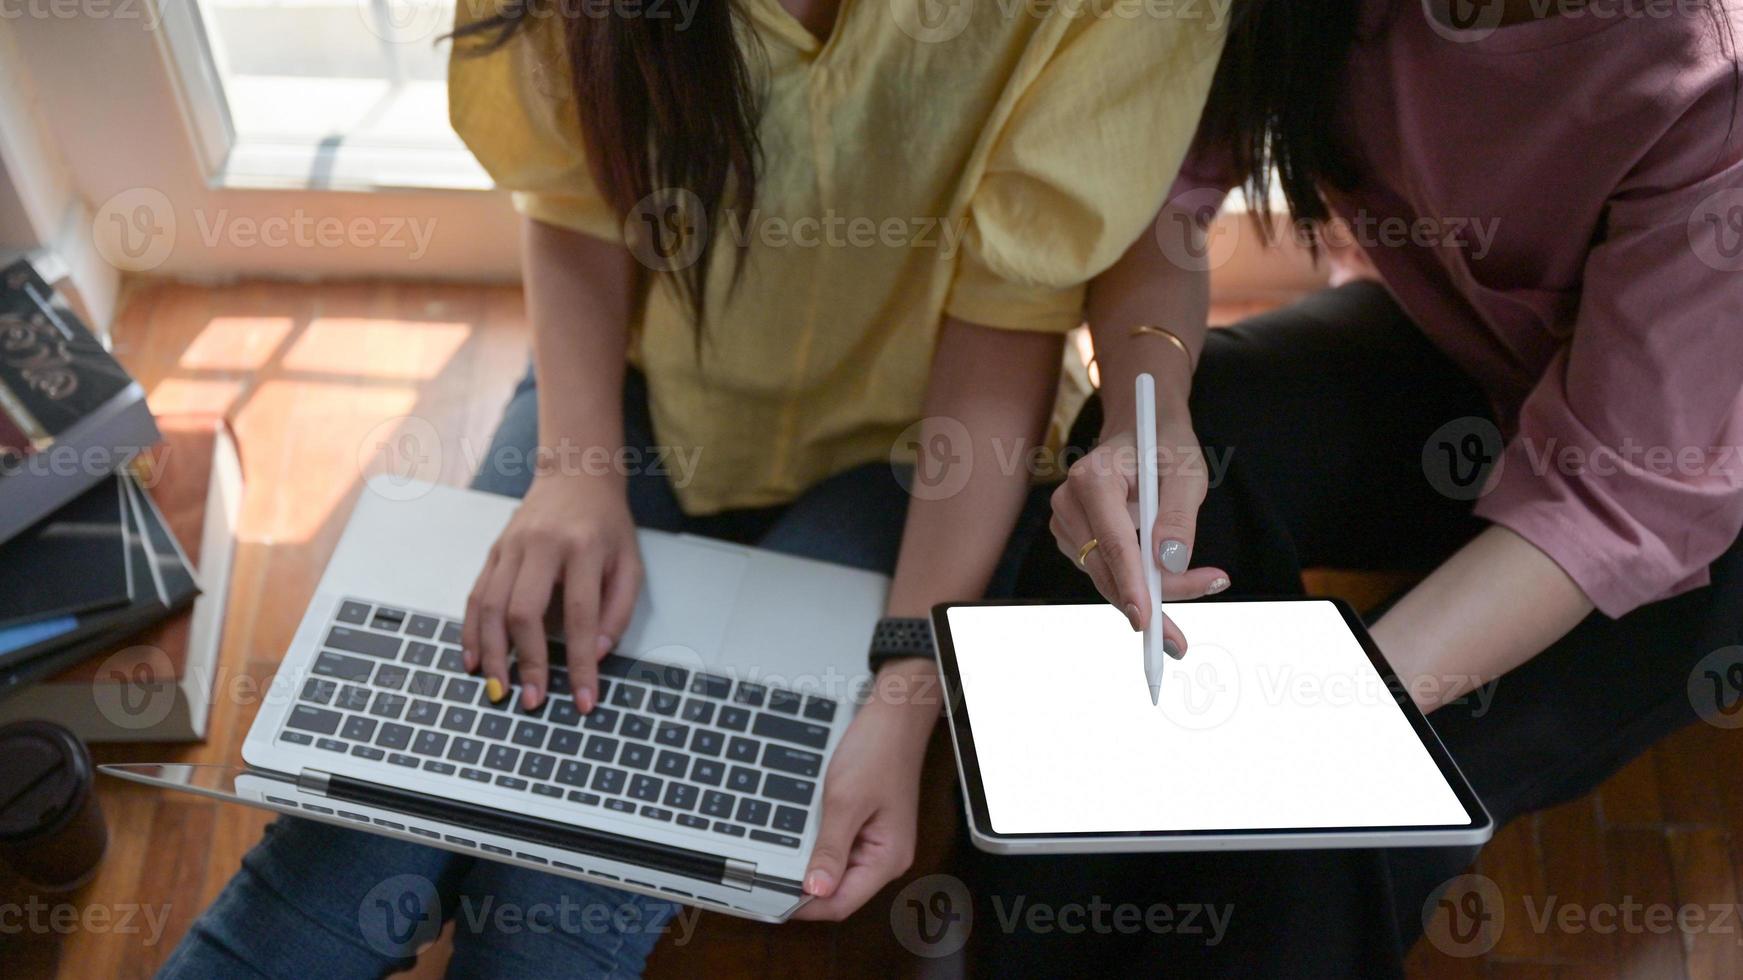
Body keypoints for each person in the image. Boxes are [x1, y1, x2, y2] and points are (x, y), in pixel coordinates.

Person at [159, 0, 1228, 975]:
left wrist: (907, 688)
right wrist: (576, 470)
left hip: (915, 456)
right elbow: (572, 196)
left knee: (561, 900)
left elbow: (1013, 308)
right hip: (633, 386)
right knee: (355, 832)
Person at [967, 0, 1743, 975]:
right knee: (1199, 437)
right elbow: (1165, 196)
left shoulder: (1708, 82)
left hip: (1685, 515)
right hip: (1480, 367)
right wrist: (1141, 418)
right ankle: (1033, 935)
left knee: (1342, 806)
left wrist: (1315, 715)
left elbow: (1617, 502)